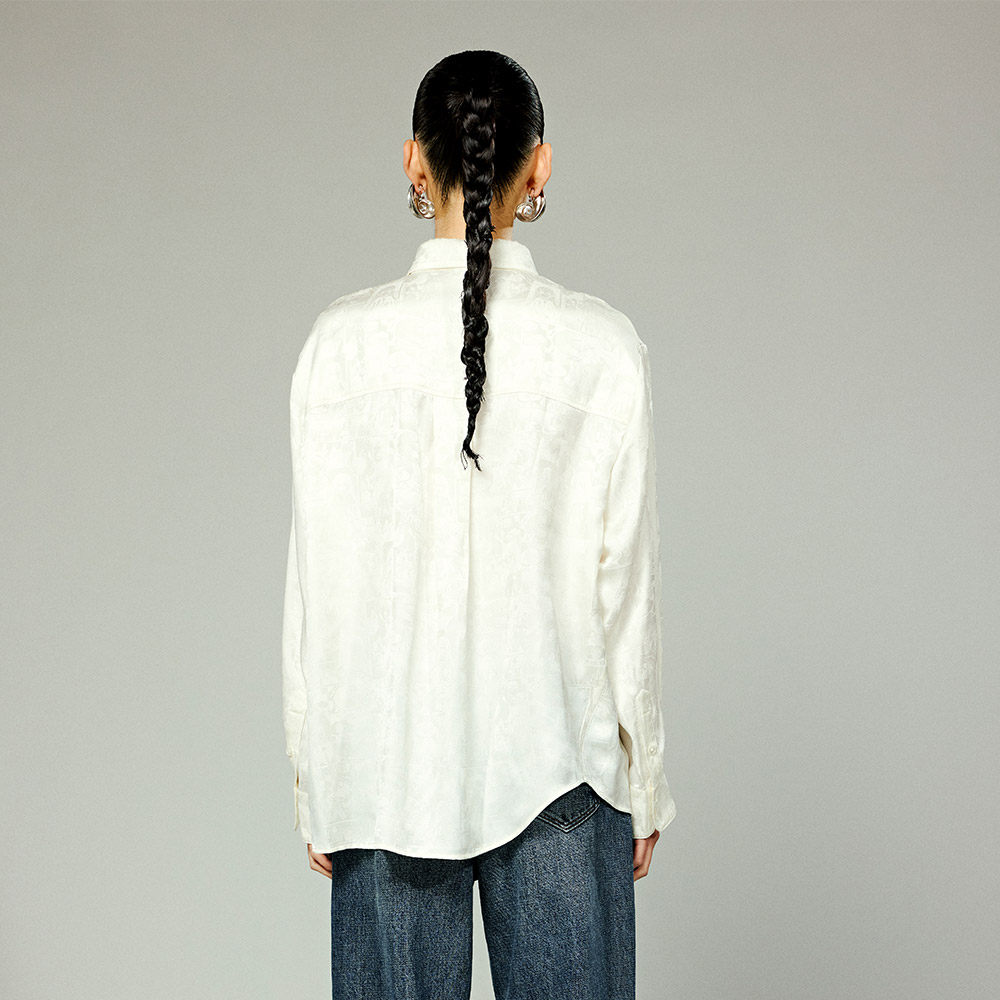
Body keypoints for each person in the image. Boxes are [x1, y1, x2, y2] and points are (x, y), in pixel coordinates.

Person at [281, 49, 677, 1000]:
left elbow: (318, 590)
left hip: (383, 778)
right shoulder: (602, 348)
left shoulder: (339, 347)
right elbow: (624, 596)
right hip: (560, 773)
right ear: (539, 167)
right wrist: (645, 779)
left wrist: (314, 778)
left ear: (413, 163)